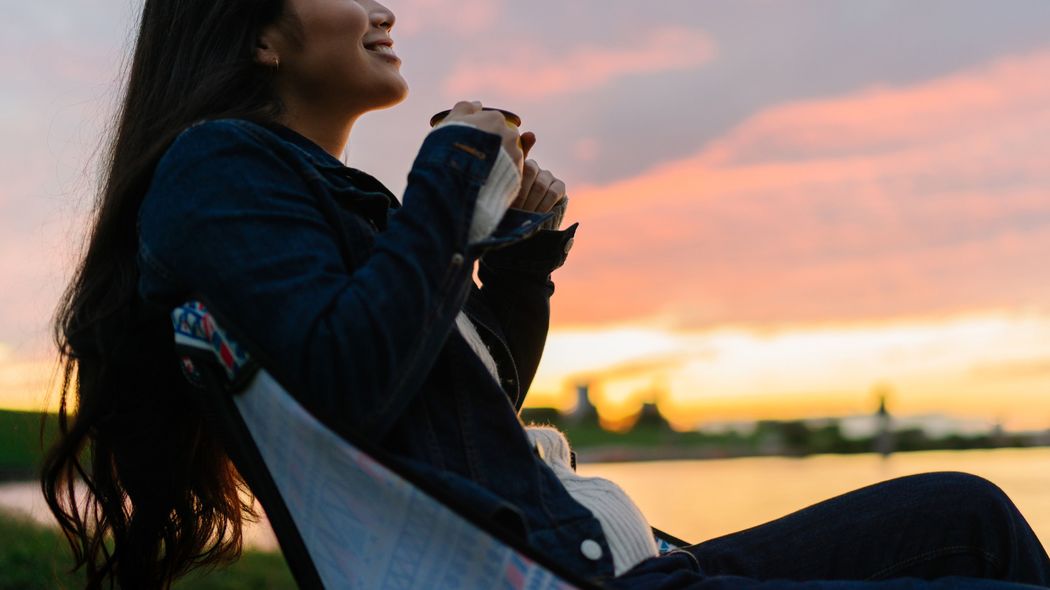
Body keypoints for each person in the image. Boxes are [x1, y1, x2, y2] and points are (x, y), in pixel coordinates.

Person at [40, 0, 1050, 588]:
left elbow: (458, 410)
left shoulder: (292, 196)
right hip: (582, 577)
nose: (386, 8)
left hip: (605, 552)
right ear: (262, 35)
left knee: (968, 511)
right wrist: (448, 167)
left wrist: (516, 255)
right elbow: (350, 379)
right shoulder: (217, 168)